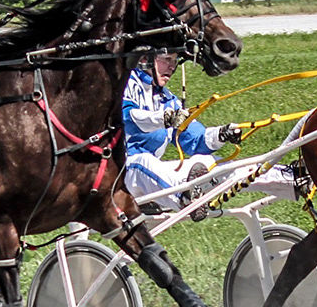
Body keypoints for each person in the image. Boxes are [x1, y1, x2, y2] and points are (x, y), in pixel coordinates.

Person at [121, 50, 299, 211]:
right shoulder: (124, 84)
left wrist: (221, 134)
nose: (172, 67)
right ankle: (186, 199)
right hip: (119, 175)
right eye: (167, 59)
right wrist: (164, 119)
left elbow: (194, 140)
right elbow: (127, 117)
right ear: (145, 59)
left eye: (174, 61)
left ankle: (290, 180)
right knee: (141, 162)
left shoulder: (167, 99)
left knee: (211, 163)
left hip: (151, 176)